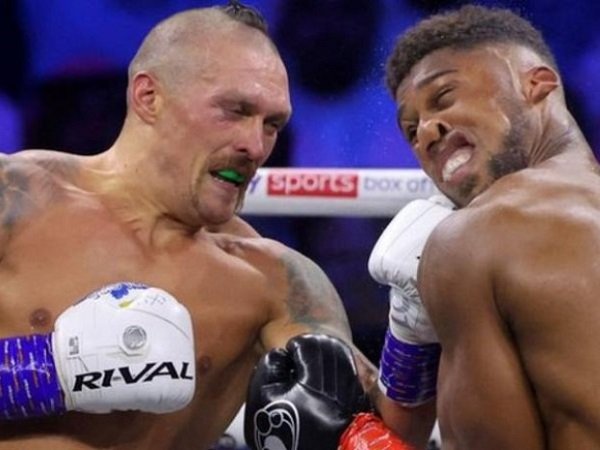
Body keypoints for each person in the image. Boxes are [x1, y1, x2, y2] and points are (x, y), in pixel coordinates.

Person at [0, 2, 380, 449]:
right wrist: (49, 369)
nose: (255, 145)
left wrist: (414, 337)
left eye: (272, 124)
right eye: (236, 111)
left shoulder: (274, 282)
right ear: (148, 98)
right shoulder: (16, 198)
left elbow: (371, 432)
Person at [369, 3, 600, 449]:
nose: (428, 132)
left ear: (538, 84)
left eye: (444, 97)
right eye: (411, 130)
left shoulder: (473, 237)